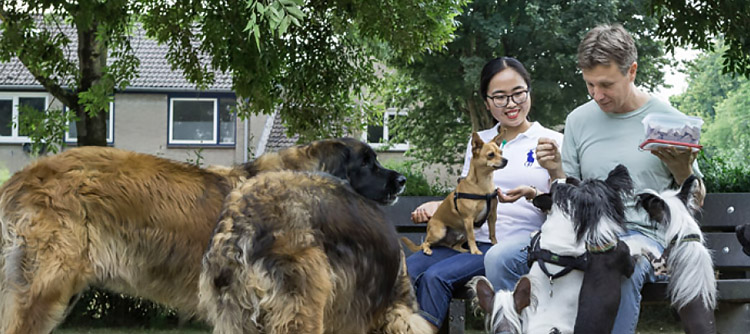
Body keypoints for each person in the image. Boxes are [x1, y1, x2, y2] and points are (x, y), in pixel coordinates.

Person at [535, 23, 706, 334]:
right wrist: (555, 170)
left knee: (616, 266)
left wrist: (683, 169)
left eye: (606, 84)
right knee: (504, 258)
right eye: (589, 85)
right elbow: (571, 195)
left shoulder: (670, 123)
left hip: (646, 237)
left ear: (632, 71)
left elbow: (695, 201)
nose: (597, 95)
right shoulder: (578, 120)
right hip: (587, 231)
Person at [406, 56, 563, 332]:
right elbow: (467, 191)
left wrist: (542, 185)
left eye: (518, 93)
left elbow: (565, 204)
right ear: (487, 102)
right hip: (469, 242)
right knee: (406, 272)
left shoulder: (551, 141)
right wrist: (439, 205)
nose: (511, 104)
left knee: (435, 278)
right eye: (500, 97)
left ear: (529, 91)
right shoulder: (480, 141)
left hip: (512, 246)